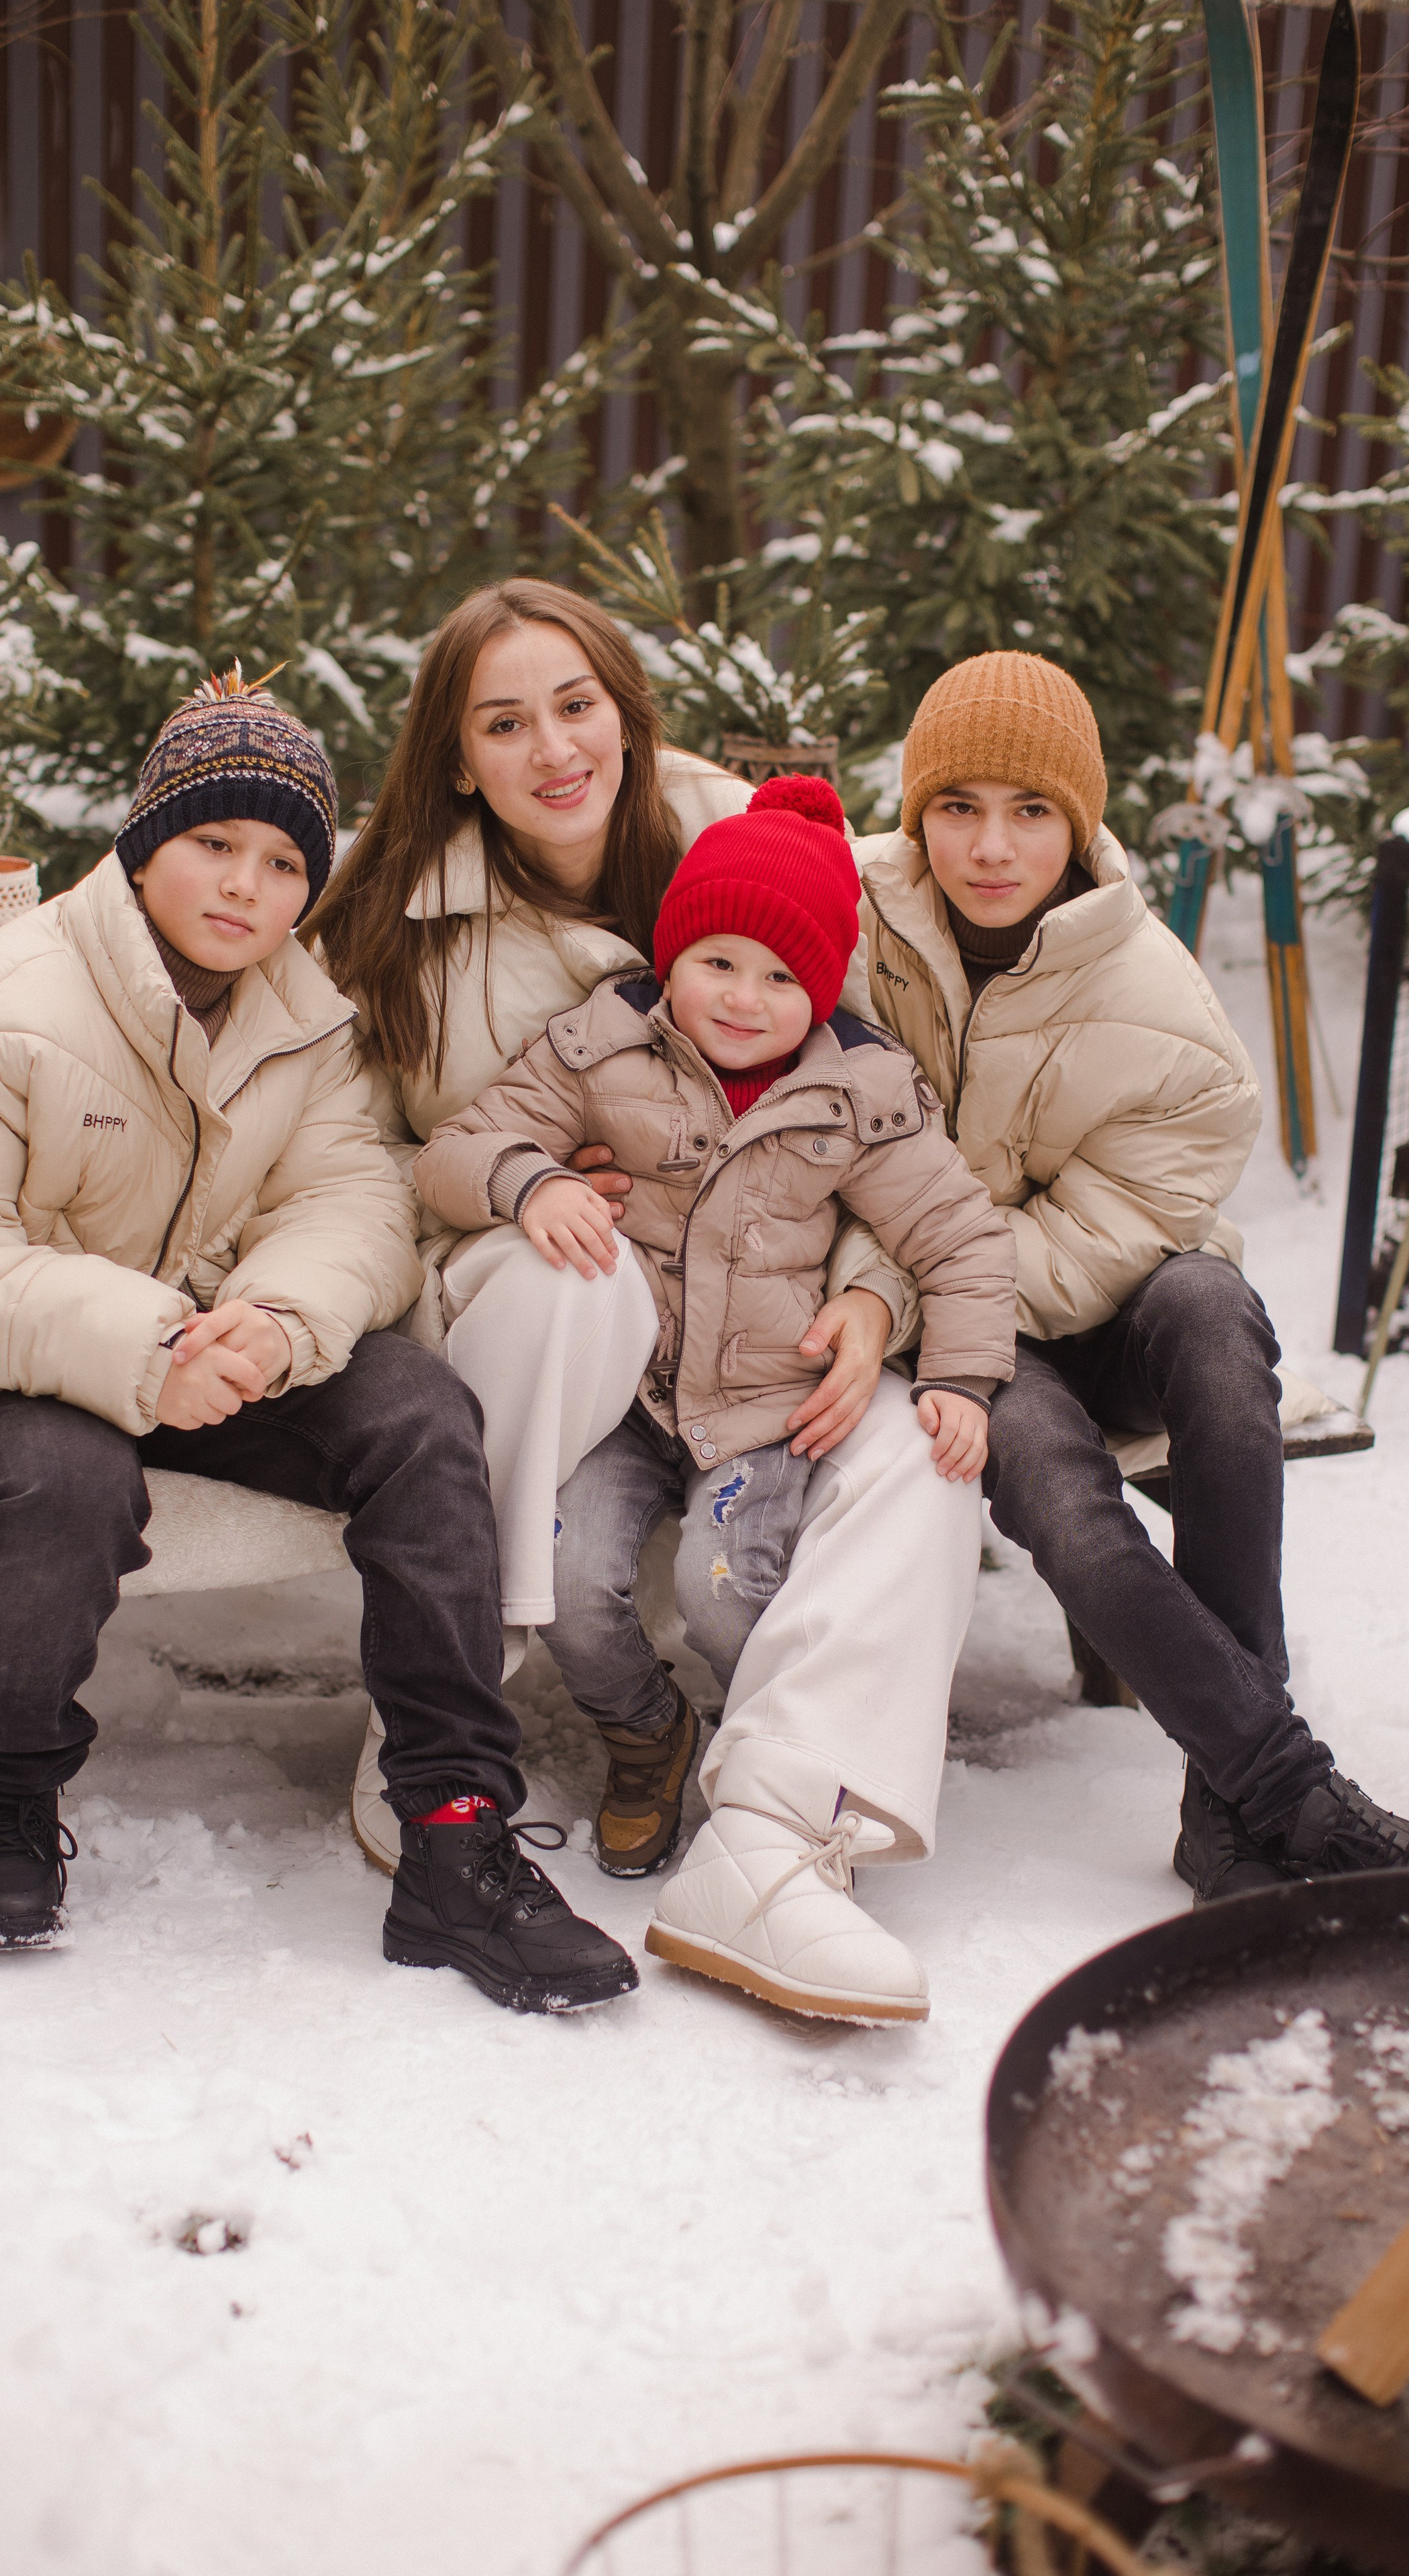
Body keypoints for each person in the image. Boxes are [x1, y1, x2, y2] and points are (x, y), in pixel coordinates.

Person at [0, 667, 637, 2012]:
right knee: (65, 1477)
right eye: (213, 843)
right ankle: (6, 1795)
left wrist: (278, 1323)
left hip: (217, 1344)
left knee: (419, 1416)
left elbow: (351, 1198)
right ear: (144, 847)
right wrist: (153, 1348)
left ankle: (452, 1834)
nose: (247, 886)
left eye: (283, 861)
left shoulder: (303, 1018)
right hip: (8, 1358)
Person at [306, 582, 932, 1881]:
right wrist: (514, 1180)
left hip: (758, 1295)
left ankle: (792, 1784)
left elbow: (884, 1098)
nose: (553, 750)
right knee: (571, 1282)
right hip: (503, 1279)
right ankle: (437, 1700)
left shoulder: (743, 838)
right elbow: (344, 1161)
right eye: (503, 724)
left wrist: (878, 1294)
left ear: (626, 712)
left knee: (911, 1442)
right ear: (457, 759)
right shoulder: (391, 924)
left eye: (575, 705)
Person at [855, 649, 1409, 1900]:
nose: (992, 846)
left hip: (1095, 1298)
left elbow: (1114, 1234)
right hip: (946, 1321)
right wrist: (916, 1290)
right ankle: (1277, 1800)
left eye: (1031, 810)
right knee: (1050, 1478)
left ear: (1080, 824)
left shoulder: (1168, 1013)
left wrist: (944, 1268)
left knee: (1212, 1316)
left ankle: (1236, 1798)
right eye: (958, 807)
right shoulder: (850, 932)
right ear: (918, 812)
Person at [413, 778, 1015, 2023]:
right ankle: (647, 1734)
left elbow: (960, 1237)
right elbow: (458, 1147)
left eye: (781, 979)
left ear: (823, 993)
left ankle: (765, 1776)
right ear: (673, 955)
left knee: (728, 1587)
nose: (743, 999)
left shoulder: (862, 1091)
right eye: (718, 963)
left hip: (761, 1406)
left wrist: (961, 1375)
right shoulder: (602, 1044)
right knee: (566, 1577)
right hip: (629, 1400)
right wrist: (530, 1183)